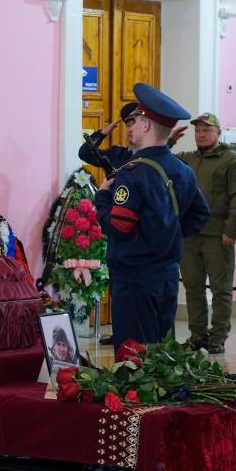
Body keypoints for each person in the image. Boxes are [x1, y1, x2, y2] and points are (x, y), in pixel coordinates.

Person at [94, 83, 210, 350]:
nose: (130, 127)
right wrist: (165, 234)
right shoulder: (182, 169)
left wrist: (101, 198)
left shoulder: (132, 172)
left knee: (134, 356)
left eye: (135, 121)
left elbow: (119, 226)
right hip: (167, 274)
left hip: (134, 277)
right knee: (162, 351)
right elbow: (200, 214)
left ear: (147, 126)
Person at [175, 112, 236, 355]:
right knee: (193, 288)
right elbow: (160, 160)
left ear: (219, 132)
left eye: (207, 130)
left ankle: (218, 338)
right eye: (198, 130)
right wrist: (169, 141)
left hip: (218, 236)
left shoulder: (233, 160)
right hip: (190, 235)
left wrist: (231, 231)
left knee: (221, 290)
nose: (201, 134)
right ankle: (198, 335)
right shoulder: (187, 159)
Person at [78, 102, 139, 173]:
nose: (131, 129)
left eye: (135, 125)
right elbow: (84, 153)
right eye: (128, 125)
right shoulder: (116, 154)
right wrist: (102, 133)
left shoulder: (150, 156)